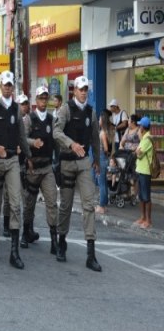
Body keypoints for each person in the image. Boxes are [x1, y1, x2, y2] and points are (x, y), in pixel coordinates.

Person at [0, 70, 31, 269]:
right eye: (5, 84)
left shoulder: (17, 109)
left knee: (15, 203)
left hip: (12, 161)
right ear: (0, 86)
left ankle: (14, 252)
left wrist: (29, 157)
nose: (8, 87)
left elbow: (21, 136)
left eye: (11, 85)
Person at [53, 75, 102, 272]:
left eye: (86, 90)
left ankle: (91, 253)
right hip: (67, 162)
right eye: (81, 89)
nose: (83, 93)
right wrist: (71, 144)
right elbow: (56, 132)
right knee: (65, 205)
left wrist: (98, 160)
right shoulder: (65, 109)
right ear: (74, 91)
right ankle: (62, 241)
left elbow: (95, 138)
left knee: (89, 204)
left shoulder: (91, 112)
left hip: (83, 163)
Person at [22, 86, 59, 253]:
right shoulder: (29, 119)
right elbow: (22, 139)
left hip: (47, 168)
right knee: (29, 203)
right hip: (32, 168)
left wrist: (60, 161)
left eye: (46, 98)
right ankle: (25, 232)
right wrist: (31, 146)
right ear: (36, 101)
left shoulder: (52, 119)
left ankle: (54, 240)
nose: (44, 101)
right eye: (41, 98)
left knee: (51, 202)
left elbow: (57, 140)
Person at [134, 117, 154, 228]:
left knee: (146, 196)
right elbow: (137, 151)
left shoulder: (147, 139)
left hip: (145, 171)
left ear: (143, 127)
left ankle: (148, 220)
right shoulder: (144, 138)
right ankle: (142, 217)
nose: (139, 127)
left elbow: (139, 153)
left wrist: (137, 150)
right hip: (140, 169)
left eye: (140, 125)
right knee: (141, 195)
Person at [96, 109, 113, 215]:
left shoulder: (102, 133)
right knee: (105, 183)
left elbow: (106, 148)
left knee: (101, 183)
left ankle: (101, 206)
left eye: (99, 119)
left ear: (102, 120)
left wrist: (104, 155)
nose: (98, 120)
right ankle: (104, 204)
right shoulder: (108, 131)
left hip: (102, 157)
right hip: (105, 158)